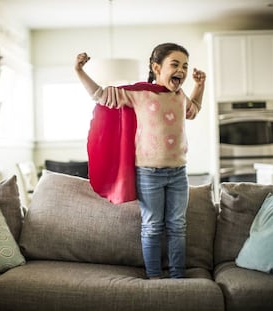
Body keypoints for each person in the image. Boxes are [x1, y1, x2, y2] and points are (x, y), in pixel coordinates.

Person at [74, 43, 206, 279]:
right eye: (174, 65)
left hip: (178, 173)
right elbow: (101, 95)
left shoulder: (179, 96)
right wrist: (80, 71)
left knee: (178, 226)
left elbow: (193, 110)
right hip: (149, 173)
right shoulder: (139, 94)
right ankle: (154, 277)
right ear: (157, 67)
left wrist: (199, 86)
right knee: (153, 226)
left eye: (184, 66)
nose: (182, 70)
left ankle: (178, 278)